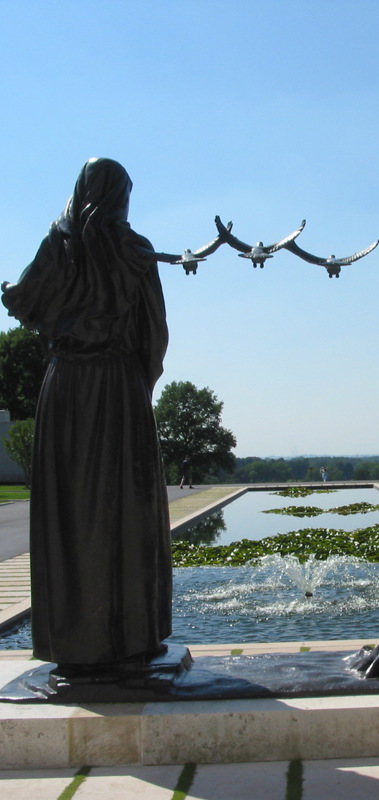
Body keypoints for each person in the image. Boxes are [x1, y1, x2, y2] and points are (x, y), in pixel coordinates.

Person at [1, 158, 172, 668]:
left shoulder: (58, 244)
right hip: (119, 386)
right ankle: (131, 636)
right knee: (127, 506)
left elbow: (24, 302)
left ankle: (75, 639)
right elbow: (154, 334)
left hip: (66, 388)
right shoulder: (134, 250)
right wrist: (139, 382)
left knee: (71, 509)